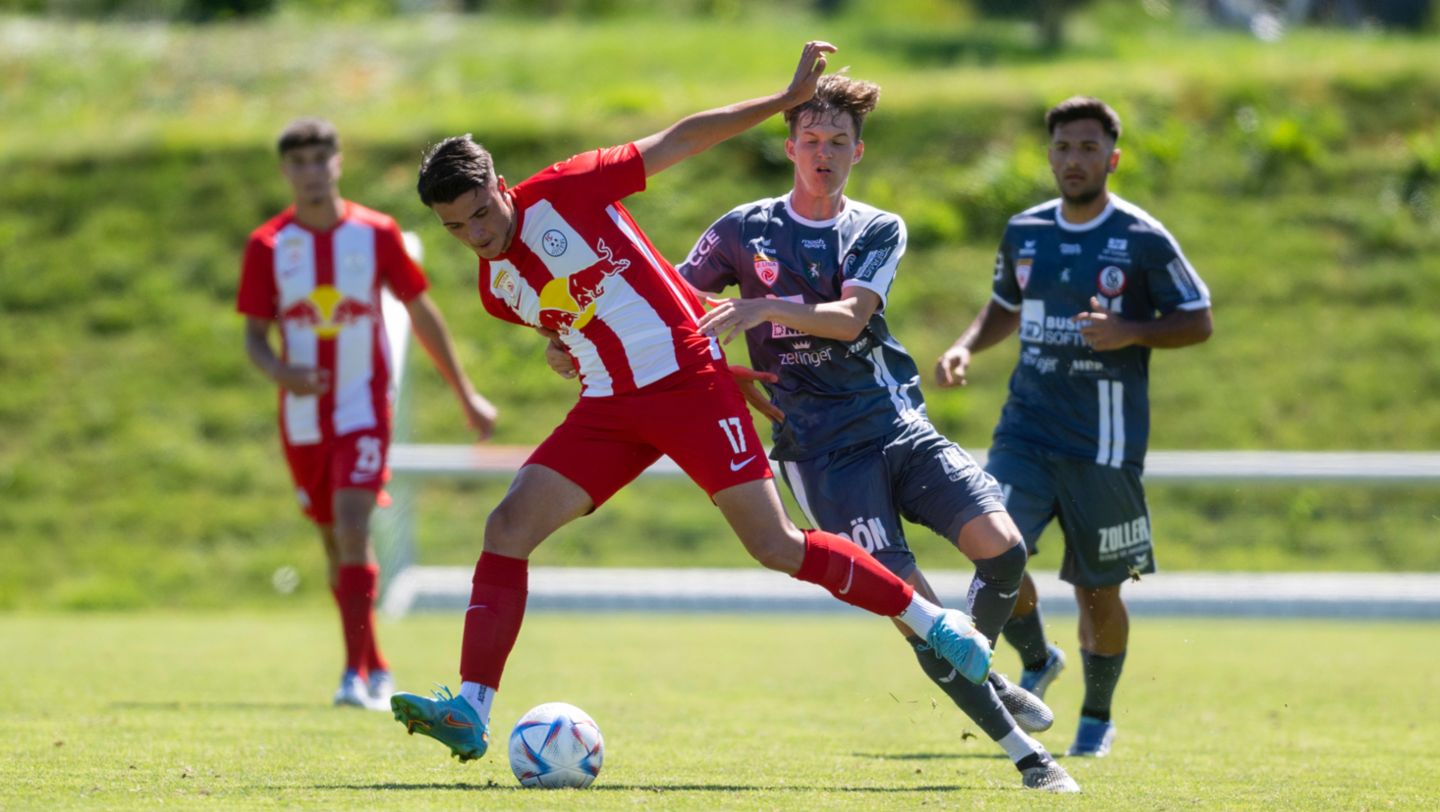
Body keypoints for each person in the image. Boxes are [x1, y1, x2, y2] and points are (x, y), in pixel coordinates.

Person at [387, 42, 994, 764]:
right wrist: (567, 348)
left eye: (482, 213)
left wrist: (780, 101)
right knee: (507, 527)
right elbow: (580, 323)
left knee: (776, 547)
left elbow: (681, 138)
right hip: (610, 409)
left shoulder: (569, 190)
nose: (477, 235)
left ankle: (932, 620)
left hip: (689, 388)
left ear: (504, 186)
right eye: (457, 228)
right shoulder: (497, 291)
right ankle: (471, 707)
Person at [663, 72, 1076, 793]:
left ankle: (979, 663)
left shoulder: (875, 228)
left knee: (1004, 552)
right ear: (790, 147)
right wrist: (582, 330)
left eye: (838, 142)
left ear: (859, 154)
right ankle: (1025, 754)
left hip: (894, 425)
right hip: (819, 454)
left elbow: (849, 319)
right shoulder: (741, 228)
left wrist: (758, 310)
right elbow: (674, 298)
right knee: (914, 611)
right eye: (812, 140)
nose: (823, 153)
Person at [933, 96, 1214, 758]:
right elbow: (1005, 304)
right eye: (1063, 147)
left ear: (1112, 158)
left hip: (1105, 446)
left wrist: (1130, 332)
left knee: (1097, 592)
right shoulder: (1025, 231)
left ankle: (1095, 717)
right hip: (1024, 431)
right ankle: (1037, 659)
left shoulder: (1143, 238)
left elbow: (1198, 318)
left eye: (1089, 148)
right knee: (993, 550)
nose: (1074, 160)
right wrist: (967, 345)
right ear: (1049, 155)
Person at [237, 118, 498, 710]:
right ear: (286, 171)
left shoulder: (374, 233)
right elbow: (254, 337)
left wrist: (465, 392)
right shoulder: (269, 246)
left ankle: (357, 677)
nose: (310, 170)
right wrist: (283, 373)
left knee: (354, 525)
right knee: (335, 542)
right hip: (303, 419)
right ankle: (372, 660)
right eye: (297, 161)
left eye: (319, 158)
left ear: (337, 162)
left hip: (363, 407)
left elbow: (422, 311)